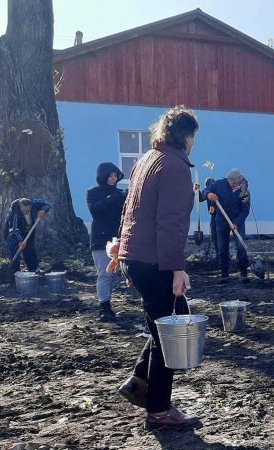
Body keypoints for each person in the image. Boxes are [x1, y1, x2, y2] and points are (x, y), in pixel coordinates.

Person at [108, 105, 198, 430]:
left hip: (137, 258)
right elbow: (170, 222)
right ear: (186, 136)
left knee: (163, 325)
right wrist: (177, 268)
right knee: (171, 335)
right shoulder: (174, 166)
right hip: (156, 260)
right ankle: (158, 411)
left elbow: (128, 210)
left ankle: (138, 384)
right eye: (193, 137)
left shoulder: (145, 160)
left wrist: (120, 248)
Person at [87, 162, 127, 321]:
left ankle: (107, 304)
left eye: (115, 176)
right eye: (110, 176)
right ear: (103, 177)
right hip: (101, 239)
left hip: (118, 238)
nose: (113, 178)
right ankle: (104, 308)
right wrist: (114, 197)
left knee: (113, 275)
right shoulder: (93, 192)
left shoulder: (121, 193)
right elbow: (95, 210)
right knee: (104, 273)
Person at [206, 169, 251, 283]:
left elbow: (245, 210)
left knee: (240, 247)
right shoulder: (219, 184)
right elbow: (205, 191)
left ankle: (244, 273)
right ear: (228, 179)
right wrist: (208, 194)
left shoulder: (243, 189)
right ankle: (224, 274)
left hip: (237, 221)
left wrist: (236, 222)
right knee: (222, 248)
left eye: (236, 182)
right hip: (221, 220)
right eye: (232, 182)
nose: (234, 184)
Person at [4, 198, 51, 272]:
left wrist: (43, 210)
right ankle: (14, 271)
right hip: (13, 234)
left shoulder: (35, 204)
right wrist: (20, 241)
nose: (25, 212)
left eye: (27, 210)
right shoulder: (15, 213)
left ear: (31, 206)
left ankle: (33, 269)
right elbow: (14, 230)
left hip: (28, 232)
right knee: (15, 249)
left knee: (30, 249)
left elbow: (47, 204)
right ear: (20, 206)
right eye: (23, 210)